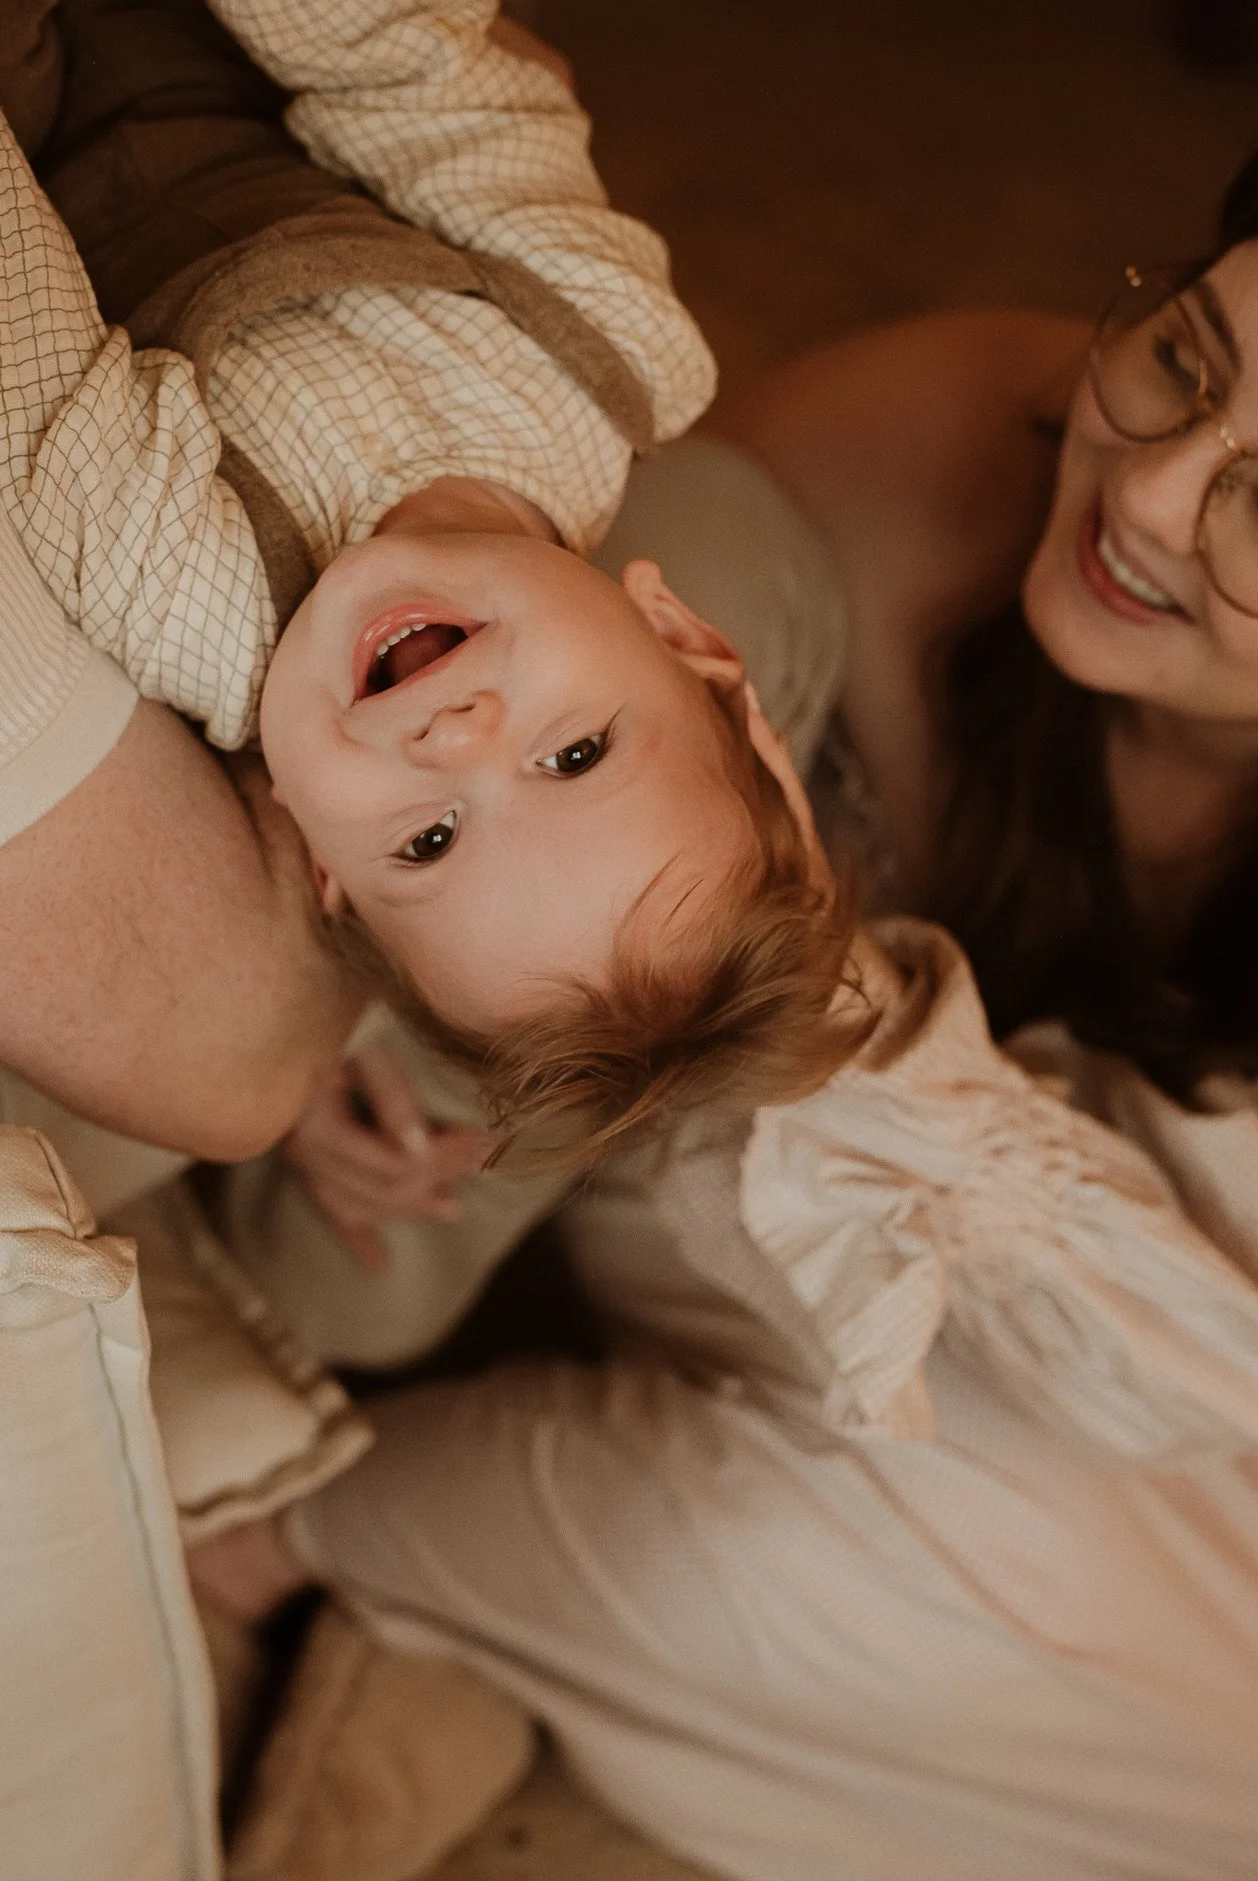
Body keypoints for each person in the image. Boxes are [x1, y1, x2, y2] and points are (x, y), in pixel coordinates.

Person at [204, 79, 1258, 1881]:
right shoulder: (907, 465)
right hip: (718, 1197)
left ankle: (439, 1594)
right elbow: (476, 739)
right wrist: (381, 998)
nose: (1143, 489)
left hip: (1154, 1339)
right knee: (819, 1391)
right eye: (1182, 354)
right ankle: (356, 1550)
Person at [0, 0, 858, 1155]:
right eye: (575, 755)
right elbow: (424, 74)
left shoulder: (199, 605)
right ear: (680, 632)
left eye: (429, 843)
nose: (457, 738)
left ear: (312, 851)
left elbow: (24, 350)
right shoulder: (608, 353)